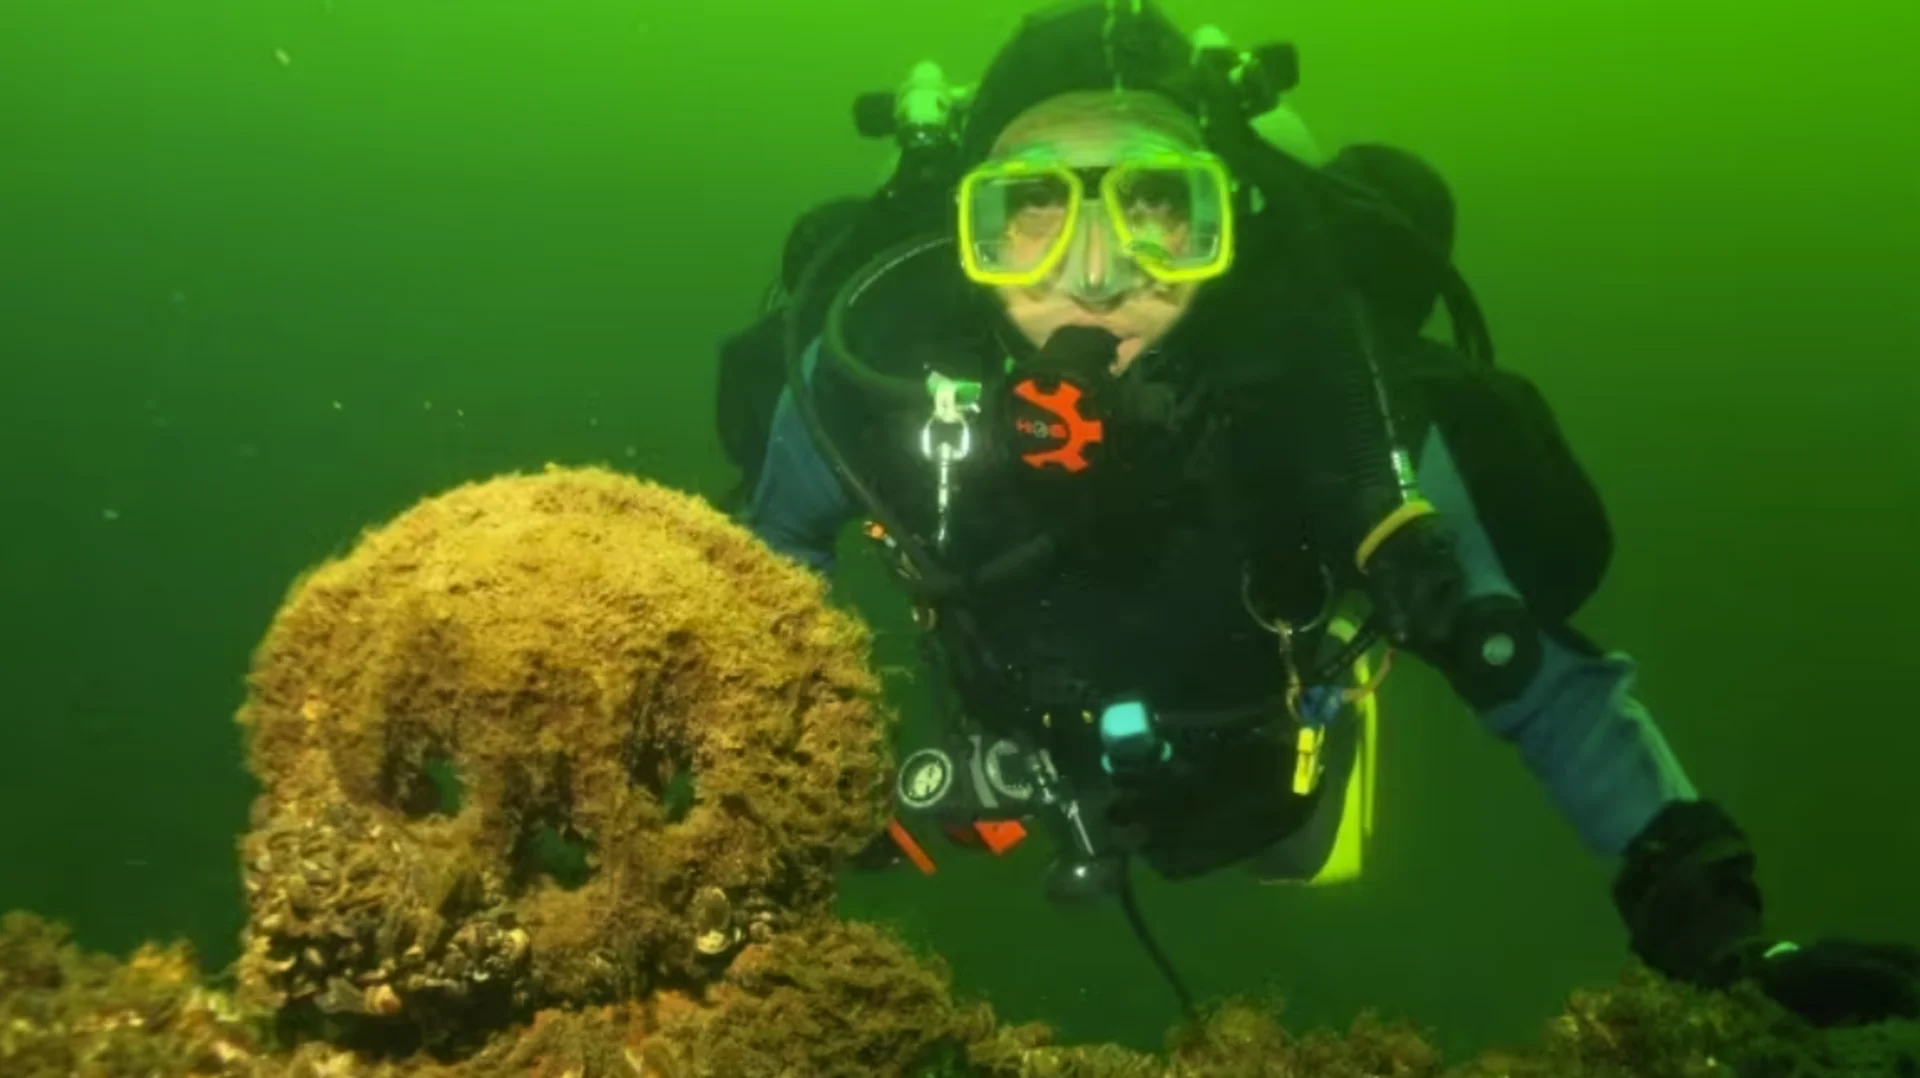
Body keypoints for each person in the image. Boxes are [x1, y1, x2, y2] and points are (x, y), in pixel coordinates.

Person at [713, 0, 1917, 1028]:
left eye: (1157, 205)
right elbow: (761, 586)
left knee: (1296, 820)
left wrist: (1724, 944)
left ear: (1229, 220)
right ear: (958, 234)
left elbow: (1539, 678)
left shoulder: (1349, 407)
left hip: (1274, 747)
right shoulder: (865, 388)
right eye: (1030, 207)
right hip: (1006, 769)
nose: (1096, 272)